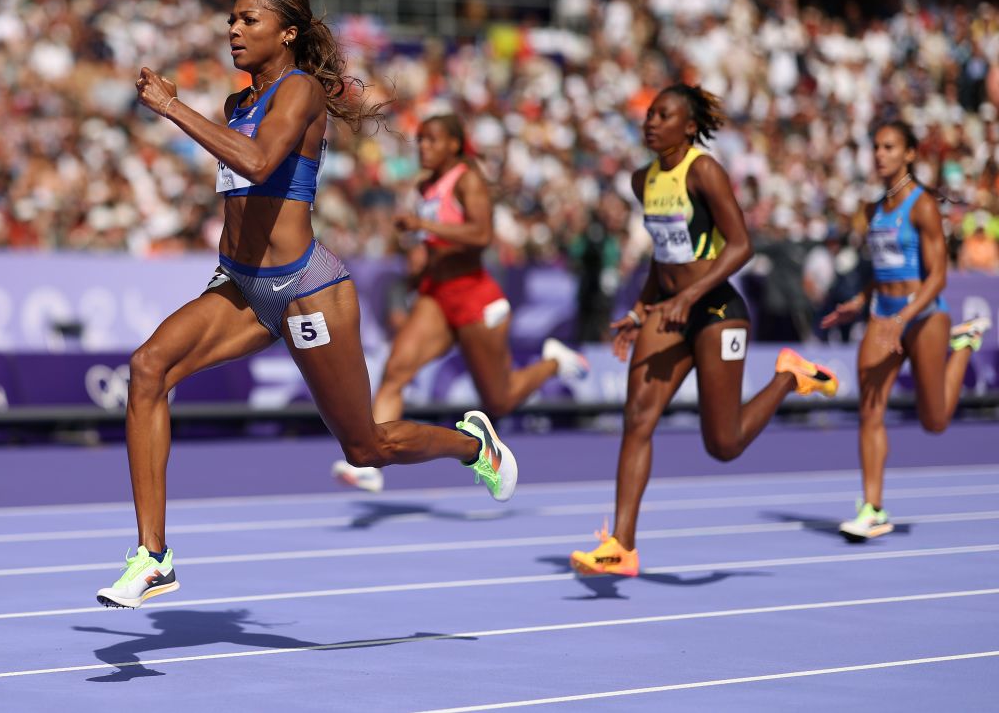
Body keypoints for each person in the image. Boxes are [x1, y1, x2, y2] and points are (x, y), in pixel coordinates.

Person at [95, 0, 517, 608]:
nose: (234, 29)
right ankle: (153, 557)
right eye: (231, 19)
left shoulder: (301, 89)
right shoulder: (240, 98)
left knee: (364, 445)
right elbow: (242, 193)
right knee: (147, 368)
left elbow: (263, 163)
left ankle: (472, 445)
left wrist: (173, 109)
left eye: (250, 19)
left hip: (305, 290)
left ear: (286, 32)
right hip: (241, 287)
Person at [570, 84, 839, 577]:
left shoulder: (704, 171)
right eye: (649, 114)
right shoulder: (641, 180)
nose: (651, 121)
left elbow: (741, 247)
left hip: (715, 310)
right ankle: (621, 545)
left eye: (663, 114)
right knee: (637, 418)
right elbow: (664, 253)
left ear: (689, 126)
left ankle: (788, 375)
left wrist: (689, 297)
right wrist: (638, 311)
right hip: (667, 312)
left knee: (723, 445)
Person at [332, 115, 589, 492]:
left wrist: (426, 228)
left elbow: (481, 234)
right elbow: (434, 241)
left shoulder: (467, 179)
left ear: (454, 144)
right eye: (420, 140)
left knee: (498, 401)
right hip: (437, 296)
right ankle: (372, 465)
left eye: (433, 141)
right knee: (395, 371)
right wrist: (421, 255)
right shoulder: (425, 187)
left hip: (473, 295)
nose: (424, 147)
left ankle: (554, 362)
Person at [821, 120, 990, 541]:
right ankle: (873, 508)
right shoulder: (872, 210)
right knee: (869, 410)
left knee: (934, 422)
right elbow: (883, 272)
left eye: (889, 147)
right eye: (876, 147)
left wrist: (904, 317)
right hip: (884, 315)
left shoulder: (922, 206)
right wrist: (860, 302)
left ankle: (964, 342)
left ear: (909, 154)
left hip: (926, 315)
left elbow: (937, 278)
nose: (880, 155)